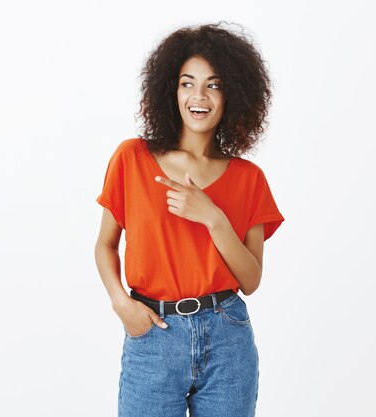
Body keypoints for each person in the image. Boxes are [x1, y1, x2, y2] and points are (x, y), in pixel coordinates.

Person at [94, 22, 285, 417]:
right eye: (187, 83)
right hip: (152, 332)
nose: (199, 96)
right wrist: (120, 303)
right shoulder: (132, 158)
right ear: (170, 90)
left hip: (227, 337)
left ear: (233, 94)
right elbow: (105, 244)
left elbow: (251, 280)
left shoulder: (250, 179)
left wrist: (213, 218)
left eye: (213, 85)